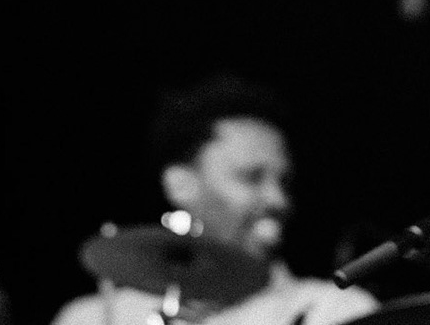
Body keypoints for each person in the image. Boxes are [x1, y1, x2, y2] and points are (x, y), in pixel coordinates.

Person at [51, 75, 380, 325]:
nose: (279, 199)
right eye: (251, 177)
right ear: (180, 184)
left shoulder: (337, 311)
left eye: (284, 181)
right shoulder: (95, 317)